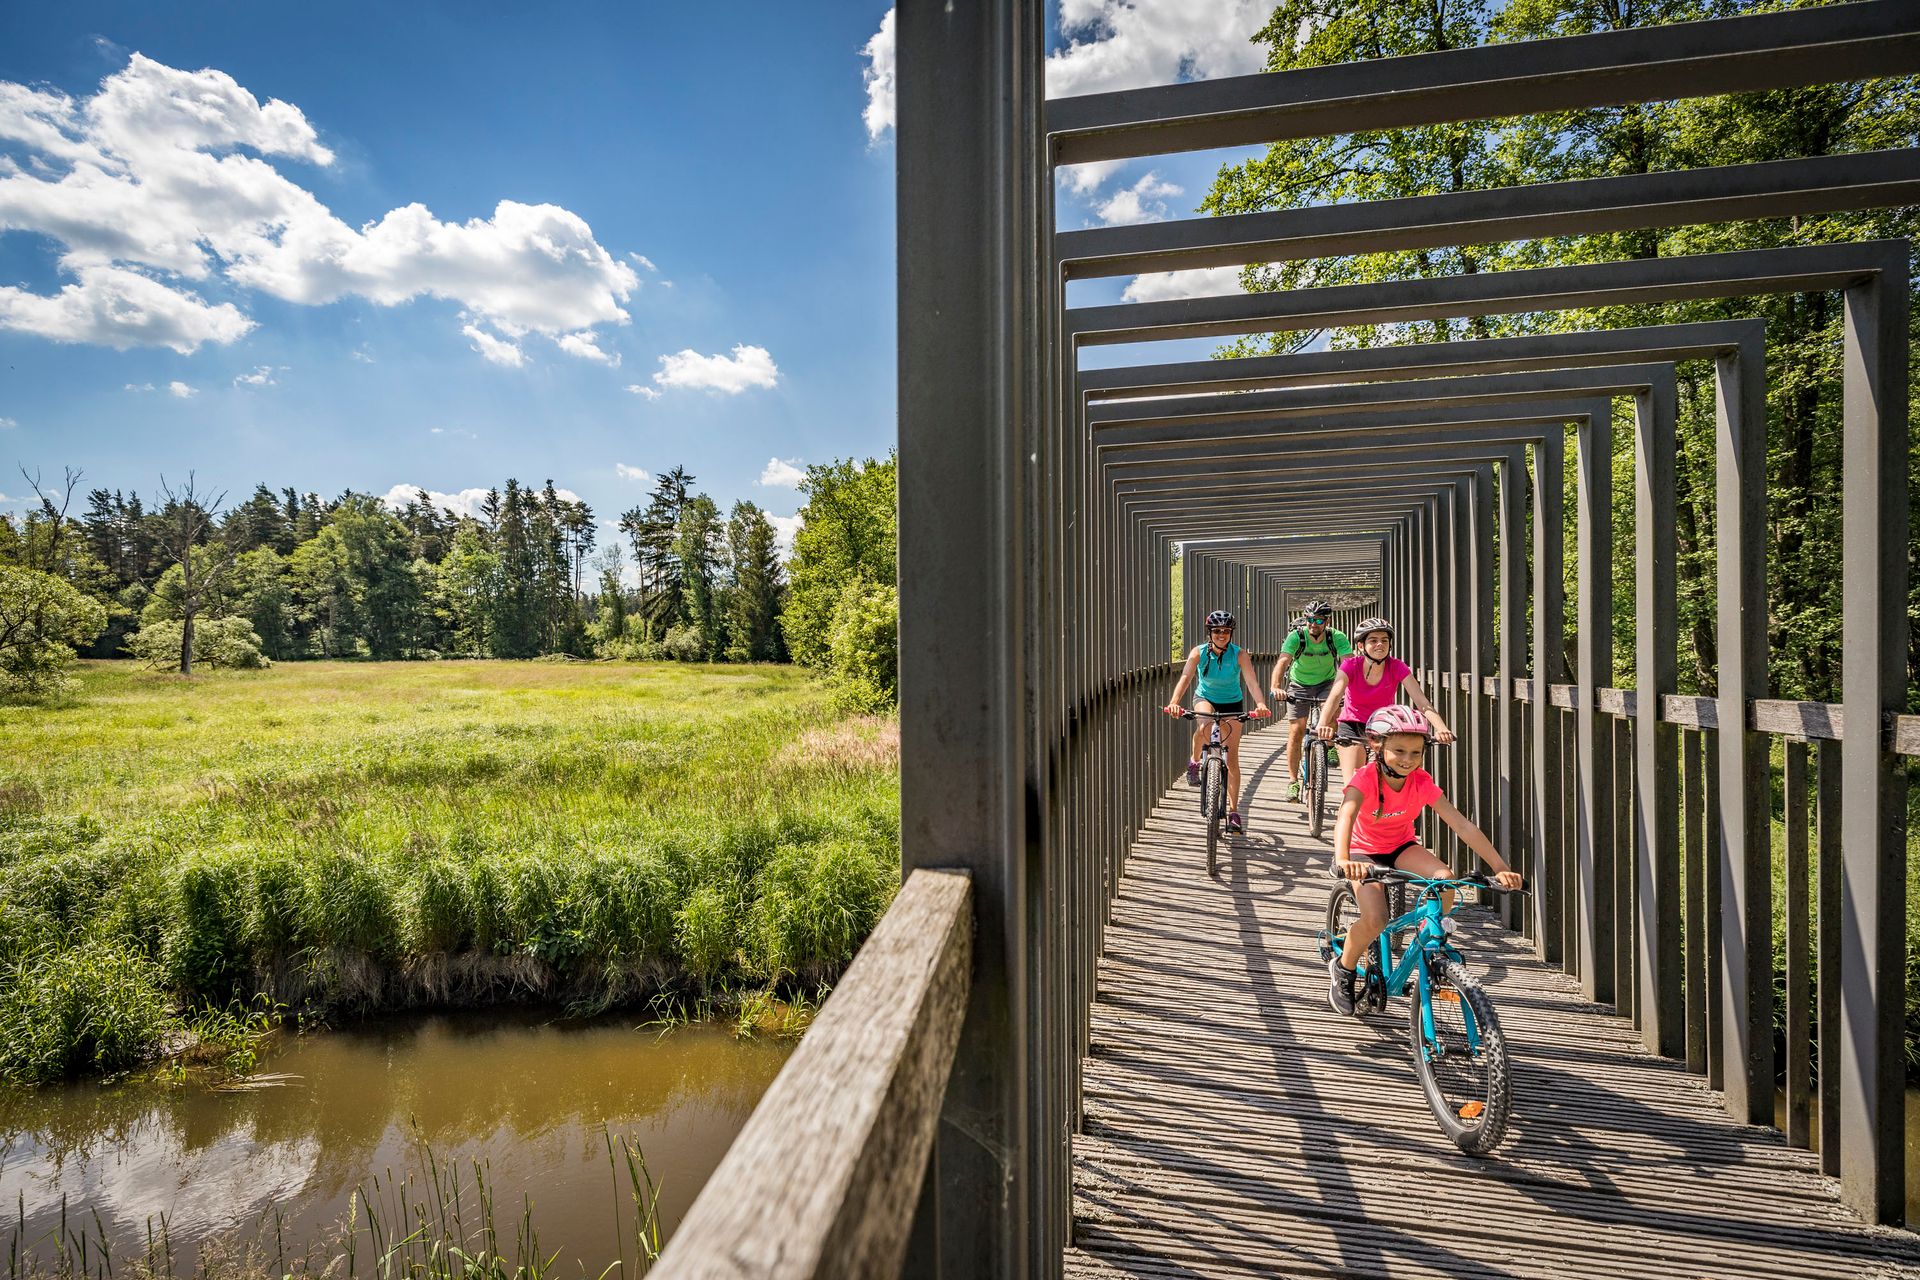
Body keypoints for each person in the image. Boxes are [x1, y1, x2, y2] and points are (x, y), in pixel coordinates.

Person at [1326, 705, 1523, 1016]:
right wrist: (1343, 859)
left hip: (1401, 846)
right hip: (1363, 852)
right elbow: (1345, 816)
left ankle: (1429, 936)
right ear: (1377, 745)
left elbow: (1461, 824)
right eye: (1399, 750)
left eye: (1416, 753)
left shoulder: (1420, 780)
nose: (1408, 759)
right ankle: (1344, 969)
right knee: (1375, 919)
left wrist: (1500, 868)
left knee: (1445, 879)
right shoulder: (1365, 778)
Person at [1162, 609, 1271, 835]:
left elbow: (1251, 682)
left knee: (1231, 757)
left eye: (1226, 631)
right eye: (1217, 630)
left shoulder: (1239, 654)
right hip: (1205, 697)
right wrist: (1174, 702)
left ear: (1231, 633)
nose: (1222, 634)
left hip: (1232, 702)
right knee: (1205, 726)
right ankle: (1194, 760)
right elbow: (1186, 677)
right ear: (1209, 632)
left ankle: (1233, 811)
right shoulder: (1199, 653)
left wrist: (1260, 704)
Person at [1314, 616, 1451, 788]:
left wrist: (1441, 728)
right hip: (1352, 726)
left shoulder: (1397, 666)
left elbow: (1421, 701)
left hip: (1383, 727)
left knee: (1390, 783)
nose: (1380, 644)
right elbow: (1334, 696)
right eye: (1373, 640)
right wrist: (1322, 724)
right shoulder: (1350, 665)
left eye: (1384, 640)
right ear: (1361, 645)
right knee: (1354, 786)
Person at [1266, 600, 1351, 802]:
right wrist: (1276, 687)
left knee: (1332, 714)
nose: (1313, 624)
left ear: (1327, 621)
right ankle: (1293, 782)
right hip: (1299, 684)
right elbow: (1283, 661)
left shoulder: (1336, 637)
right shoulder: (1297, 637)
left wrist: (1351, 690)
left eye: (1318, 620)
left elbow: (1349, 663)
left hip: (1327, 683)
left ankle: (1330, 746)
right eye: (1310, 619)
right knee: (1296, 732)